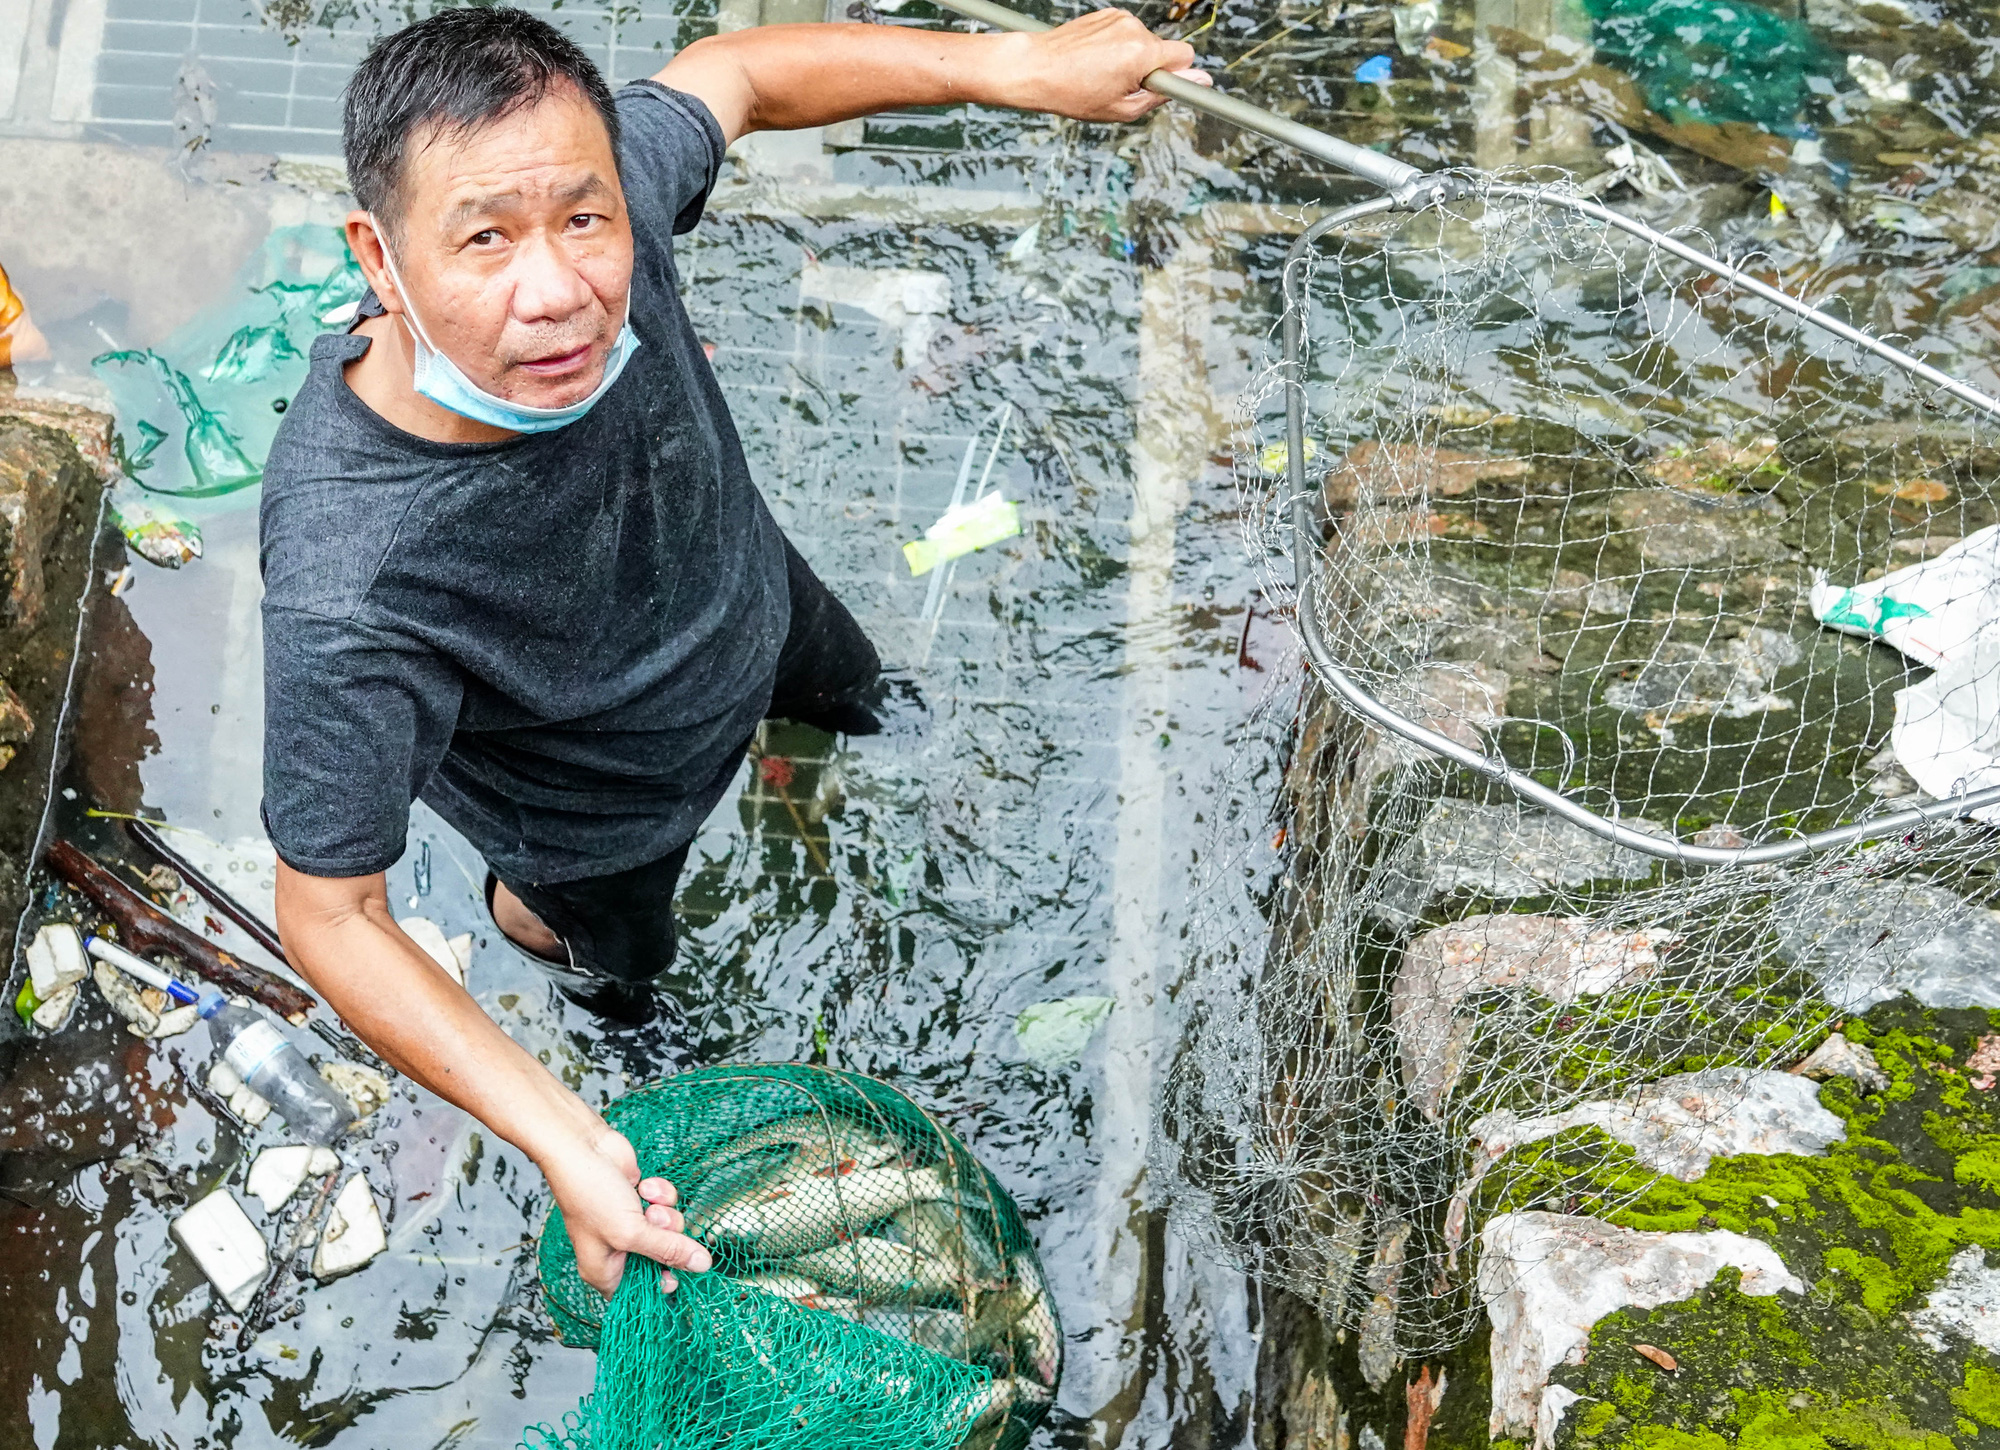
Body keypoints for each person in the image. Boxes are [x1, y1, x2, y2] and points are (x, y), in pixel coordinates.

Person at [263, 8, 1205, 1298]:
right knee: (622, 967)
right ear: (380, 254)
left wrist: (1013, 69)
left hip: (760, 611)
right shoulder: (354, 580)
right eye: (482, 239)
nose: (559, 294)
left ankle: (817, 740)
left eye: (581, 223)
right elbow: (328, 907)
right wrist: (562, 1138)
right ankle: (587, 987)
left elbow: (742, 75)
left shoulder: (606, 214)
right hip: (601, 813)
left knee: (867, 698)